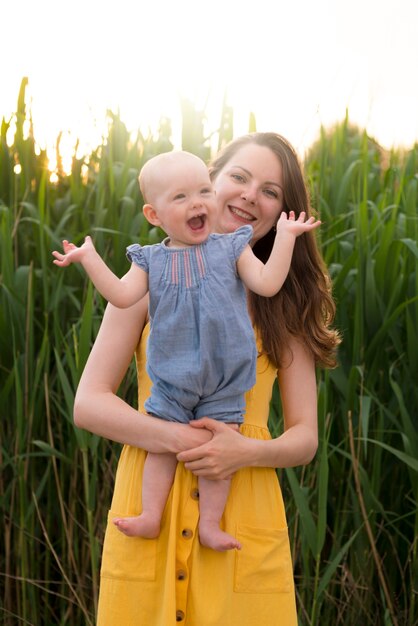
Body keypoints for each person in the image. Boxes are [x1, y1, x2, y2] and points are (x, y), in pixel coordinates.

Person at [72, 132, 340, 626]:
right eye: (238, 177)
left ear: (283, 212)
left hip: (240, 509)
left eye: (270, 191)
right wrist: (178, 439)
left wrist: (245, 451)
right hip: (150, 498)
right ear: (208, 181)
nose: (248, 195)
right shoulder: (152, 278)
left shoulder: (285, 301)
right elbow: (88, 403)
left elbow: (305, 439)